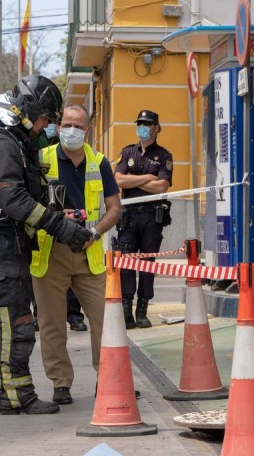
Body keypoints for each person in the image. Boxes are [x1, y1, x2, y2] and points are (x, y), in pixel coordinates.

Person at [0, 75, 93, 415]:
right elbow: (12, 198)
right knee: (15, 323)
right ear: (27, 111)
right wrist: (61, 227)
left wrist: (55, 214)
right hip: (1, 246)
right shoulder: (3, 145)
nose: (47, 126)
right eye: (46, 118)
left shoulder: (9, 142)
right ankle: (16, 396)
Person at [30, 103, 121, 405]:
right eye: (67, 124)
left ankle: (107, 379)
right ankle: (60, 384)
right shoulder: (41, 159)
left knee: (104, 321)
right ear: (58, 126)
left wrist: (94, 233)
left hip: (88, 251)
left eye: (79, 126)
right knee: (52, 323)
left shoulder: (99, 162)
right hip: (50, 251)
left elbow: (114, 209)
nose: (72, 131)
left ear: (88, 129)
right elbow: (27, 203)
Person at [114, 109, 173, 329]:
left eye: (147, 123)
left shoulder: (164, 156)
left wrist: (134, 180)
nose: (143, 127)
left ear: (157, 128)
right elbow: (118, 180)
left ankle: (142, 311)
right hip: (128, 217)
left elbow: (162, 185)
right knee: (126, 263)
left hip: (152, 217)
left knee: (147, 265)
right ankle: (126, 311)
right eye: (140, 123)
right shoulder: (127, 152)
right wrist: (148, 178)